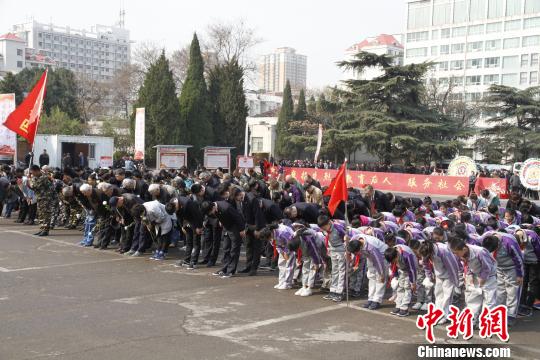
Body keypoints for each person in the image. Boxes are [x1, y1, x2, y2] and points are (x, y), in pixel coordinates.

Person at [448, 234, 497, 325]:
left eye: (456, 253)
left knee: (489, 300)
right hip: (474, 274)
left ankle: (486, 323)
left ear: (464, 249)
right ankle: (471, 320)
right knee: (472, 298)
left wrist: (482, 279)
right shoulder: (462, 253)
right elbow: (466, 265)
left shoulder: (480, 252)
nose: (456, 255)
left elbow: (487, 267)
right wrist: (469, 275)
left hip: (489, 277)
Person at [480, 231, 524, 326]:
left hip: (512, 268)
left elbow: (518, 258)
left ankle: (511, 315)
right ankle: (500, 312)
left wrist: (520, 275)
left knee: (512, 292)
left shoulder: (509, 242)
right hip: (499, 268)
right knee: (500, 291)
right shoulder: (487, 239)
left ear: (498, 245)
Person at [202, 200, 246, 278]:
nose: (211, 213)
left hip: (235, 227)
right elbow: (218, 215)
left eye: (211, 211)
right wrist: (220, 221)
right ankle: (225, 268)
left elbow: (237, 217)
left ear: (213, 207)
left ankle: (231, 270)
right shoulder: (213, 208)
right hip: (226, 227)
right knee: (226, 248)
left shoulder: (226, 207)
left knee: (234, 249)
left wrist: (242, 229)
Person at [347, 233, 388, 310]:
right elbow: (349, 247)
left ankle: (377, 300)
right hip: (369, 256)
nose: (355, 255)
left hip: (382, 256)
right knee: (371, 276)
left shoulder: (371, 248)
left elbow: (378, 262)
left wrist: (382, 274)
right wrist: (348, 253)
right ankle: (371, 298)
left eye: (355, 253)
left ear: (360, 248)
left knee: (380, 279)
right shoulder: (354, 239)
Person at [318, 215, 347, 302]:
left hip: (341, 250)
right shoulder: (324, 230)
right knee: (334, 270)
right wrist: (328, 249)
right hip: (333, 250)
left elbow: (346, 238)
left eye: (324, 226)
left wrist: (346, 251)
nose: (323, 229)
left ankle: (340, 292)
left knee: (341, 271)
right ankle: (333, 290)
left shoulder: (338, 228)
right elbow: (327, 238)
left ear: (329, 223)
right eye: (322, 227)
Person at [385, 243, 418, 317]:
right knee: (400, 287)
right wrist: (396, 276)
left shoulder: (407, 255)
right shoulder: (391, 253)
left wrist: (413, 282)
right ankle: (398, 306)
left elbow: (412, 270)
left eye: (394, 260)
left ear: (396, 256)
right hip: (401, 268)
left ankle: (404, 308)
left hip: (409, 270)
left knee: (407, 288)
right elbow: (393, 265)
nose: (393, 261)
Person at [29, 165, 54, 236]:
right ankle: (42, 229)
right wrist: (31, 179)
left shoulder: (43, 177)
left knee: (46, 214)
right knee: (41, 214)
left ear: (37, 171)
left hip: (46, 198)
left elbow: (34, 186)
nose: (32, 174)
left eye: (33, 172)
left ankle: (45, 230)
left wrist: (30, 180)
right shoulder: (36, 177)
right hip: (40, 198)